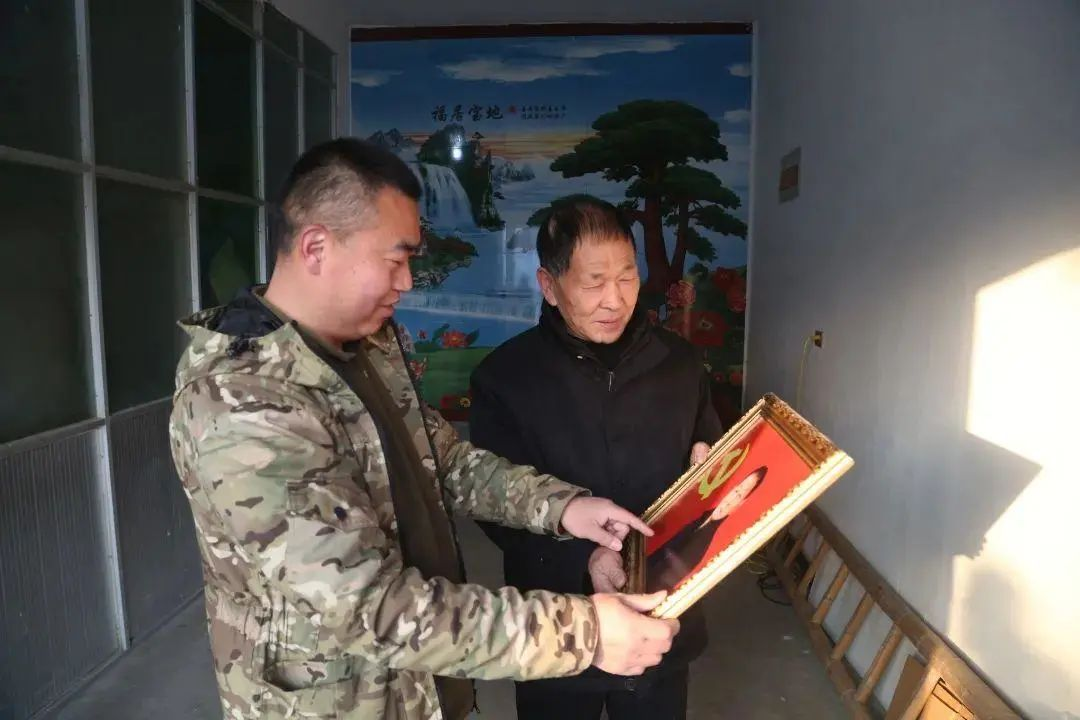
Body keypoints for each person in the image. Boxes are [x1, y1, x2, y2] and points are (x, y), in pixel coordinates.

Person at [168, 139, 680, 720]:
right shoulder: (244, 402)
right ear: (316, 247)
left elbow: (445, 460)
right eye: (395, 260)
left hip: (422, 685)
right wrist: (585, 634)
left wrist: (563, 508)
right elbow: (371, 608)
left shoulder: (366, 347)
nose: (408, 281)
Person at [469, 197, 724, 720]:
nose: (615, 299)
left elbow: (708, 445)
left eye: (627, 277)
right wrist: (582, 558)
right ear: (549, 285)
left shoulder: (681, 363)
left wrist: (711, 460)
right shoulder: (505, 378)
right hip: (556, 621)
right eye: (593, 282)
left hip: (660, 614)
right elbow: (492, 505)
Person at [647, 466, 768, 593]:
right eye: (737, 490)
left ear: (741, 503)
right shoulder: (698, 513)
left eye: (740, 495)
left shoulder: (706, 542)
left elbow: (664, 581)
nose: (731, 499)